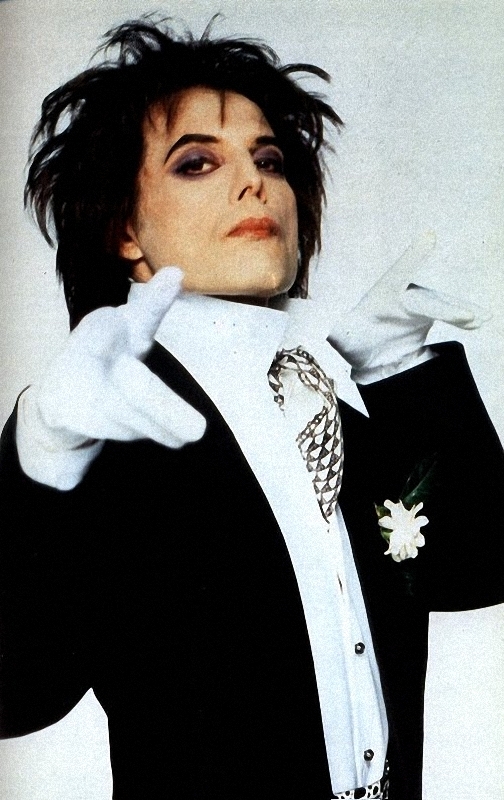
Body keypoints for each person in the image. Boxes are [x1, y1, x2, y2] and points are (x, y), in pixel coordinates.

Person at [0, 16, 503, 800]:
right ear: (125, 231)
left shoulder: (340, 411)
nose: (255, 182)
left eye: (268, 159)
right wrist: (42, 453)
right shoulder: (106, 423)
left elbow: (476, 569)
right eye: (197, 162)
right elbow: (16, 694)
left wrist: (398, 370)